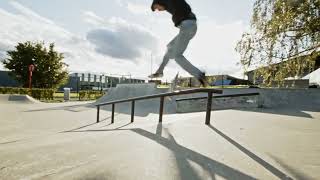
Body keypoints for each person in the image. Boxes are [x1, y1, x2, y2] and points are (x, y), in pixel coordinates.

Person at [149, 0, 208, 86]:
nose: (158, 10)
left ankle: (199, 75)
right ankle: (160, 71)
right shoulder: (169, 7)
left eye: (157, 7)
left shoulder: (172, 2)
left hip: (188, 26)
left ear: (159, 2)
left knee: (177, 56)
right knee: (169, 47)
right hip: (186, 28)